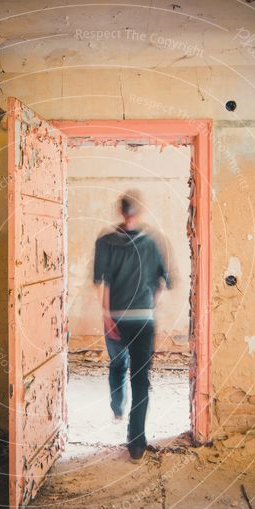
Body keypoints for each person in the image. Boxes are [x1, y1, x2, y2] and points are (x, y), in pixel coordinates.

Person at [92, 190, 171, 462]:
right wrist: (150, 306)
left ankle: (117, 407)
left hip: (115, 316)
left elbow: (104, 283)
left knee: (117, 364)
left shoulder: (105, 242)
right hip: (143, 319)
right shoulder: (151, 243)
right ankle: (136, 444)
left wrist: (106, 316)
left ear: (120, 212)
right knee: (140, 380)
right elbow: (162, 283)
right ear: (137, 213)